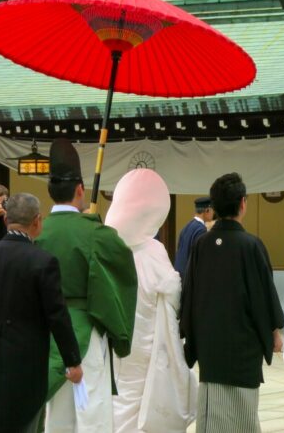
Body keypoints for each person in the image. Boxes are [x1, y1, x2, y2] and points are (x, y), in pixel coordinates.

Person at [35, 138, 138, 433]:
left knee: (57, 411)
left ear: (50, 192)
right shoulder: (96, 233)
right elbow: (122, 267)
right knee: (91, 411)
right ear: (81, 190)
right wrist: (97, 227)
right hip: (85, 334)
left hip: (45, 335)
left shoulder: (37, 232)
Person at [180, 172, 284, 433]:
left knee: (212, 414)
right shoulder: (251, 245)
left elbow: (189, 292)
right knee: (243, 416)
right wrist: (274, 332)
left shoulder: (202, 244)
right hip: (243, 347)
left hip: (210, 346)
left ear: (214, 207)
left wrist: (188, 334)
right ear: (243, 203)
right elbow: (264, 294)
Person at [0, 193, 83, 433]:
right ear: (37, 221)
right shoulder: (42, 261)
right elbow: (57, 315)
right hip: (27, 359)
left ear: (5, 221)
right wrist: (72, 360)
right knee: (27, 421)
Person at [106, 169, 198, 433]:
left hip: (116, 338)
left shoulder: (108, 247)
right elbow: (172, 290)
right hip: (146, 341)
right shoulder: (153, 250)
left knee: (118, 395)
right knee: (140, 398)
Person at [174, 196, 213, 281]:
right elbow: (200, 259)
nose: (213, 213)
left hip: (179, 275)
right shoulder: (201, 230)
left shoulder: (186, 227)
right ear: (207, 210)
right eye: (212, 210)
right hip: (190, 278)